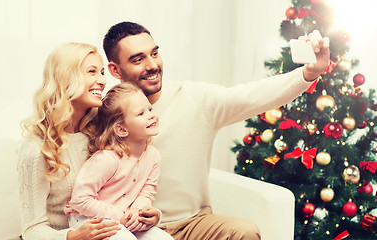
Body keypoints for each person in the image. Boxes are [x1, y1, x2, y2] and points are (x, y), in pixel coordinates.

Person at [103, 21, 330, 240]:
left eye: (154, 53)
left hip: (193, 223)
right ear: (115, 69)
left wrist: (308, 74)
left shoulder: (194, 99)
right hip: (132, 229)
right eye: (137, 59)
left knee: (244, 231)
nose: (152, 65)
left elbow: (254, 96)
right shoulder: (104, 114)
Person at [18, 42, 122, 240]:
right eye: (91, 72)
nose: (102, 80)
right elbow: (32, 230)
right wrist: (73, 236)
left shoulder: (99, 133)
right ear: (65, 78)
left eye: (102, 72)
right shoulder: (36, 148)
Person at [64, 82, 174, 240]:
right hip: (89, 219)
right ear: (122, 130)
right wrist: (119, 216)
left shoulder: (153, 156)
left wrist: (138, 211)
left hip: (125, 218)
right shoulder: (107, 159)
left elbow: (147, 191)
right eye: (140, 113)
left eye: (150, 109)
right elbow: (80, 200)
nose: (150, 115)